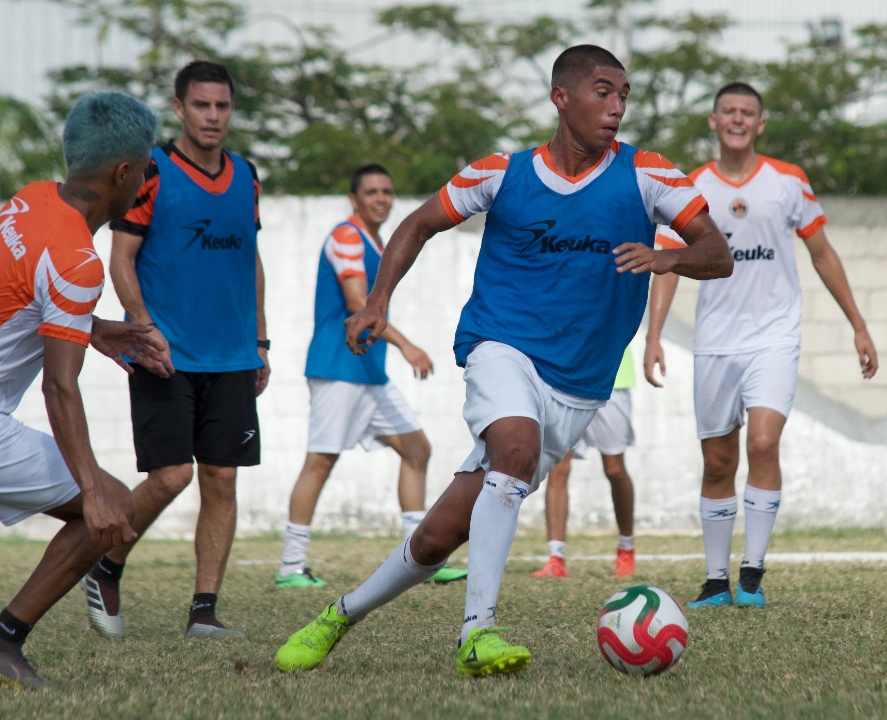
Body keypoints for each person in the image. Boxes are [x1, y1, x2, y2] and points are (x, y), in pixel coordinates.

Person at [274, 44, 732, 677]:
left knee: (439, 537)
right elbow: (416, 225)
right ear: (561, 97)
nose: (618, 106)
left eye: (624, 94)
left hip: (580, 387)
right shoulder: (500, 172)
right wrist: (378, 301)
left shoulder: (649, 174)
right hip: (501, 346)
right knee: (514, 446)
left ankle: (338, 615)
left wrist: (670, 257)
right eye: (603, 91)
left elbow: (718, 251)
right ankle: (476, 634)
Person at [0, 92, 168, 690]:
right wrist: (95, 488)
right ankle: (0, 643)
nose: (147, 181)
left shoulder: (29, 200)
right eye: (146, 169)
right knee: (115, 505)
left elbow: (18, 292)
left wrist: (93, 329)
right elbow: (60, 386)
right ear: (122, 174)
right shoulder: (78, 261)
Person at [645, 82, 878, 610]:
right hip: (716, 342)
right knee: (718, 461)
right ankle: (714, 581)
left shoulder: (788, 182)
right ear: (713, 120)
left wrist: (858, 325)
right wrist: (655, 335)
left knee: (764, 444)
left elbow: (822, 254)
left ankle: (751, 575)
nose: (737, 120)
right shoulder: (692, 185)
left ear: (760, 124)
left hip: (774, 336)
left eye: (747, 113)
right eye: (728, 111)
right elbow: (667, 264)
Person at [82, 60, 268, 639]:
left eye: (222, 106)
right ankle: (105, 566)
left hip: (233, 356)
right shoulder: (152, 172)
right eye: (202, 105)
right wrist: (142, 327)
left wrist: (260, 339)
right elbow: (122, 259)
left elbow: (250, 261)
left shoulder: (247, 175)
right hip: (164, 355)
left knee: (222, 479)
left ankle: (204, 614)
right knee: (170, 478)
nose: (213, 116)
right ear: (180, 107)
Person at [277, 163, 466, 588]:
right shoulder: (346, 236)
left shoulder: (376, 241)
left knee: (417, 449)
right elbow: (358, 300)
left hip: (368, 374)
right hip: (338, 370)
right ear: (354, 198)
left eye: (387, 191)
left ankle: (418, 559)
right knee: (320, 462)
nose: (381, 198)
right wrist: (407, 345)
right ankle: (291, 567)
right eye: (372, 191)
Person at [531, 346, 638, 579]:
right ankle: (556, 558)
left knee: (615, 469)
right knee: (558, 467)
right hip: (564, 377)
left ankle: (626, 549)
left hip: (612, 378)